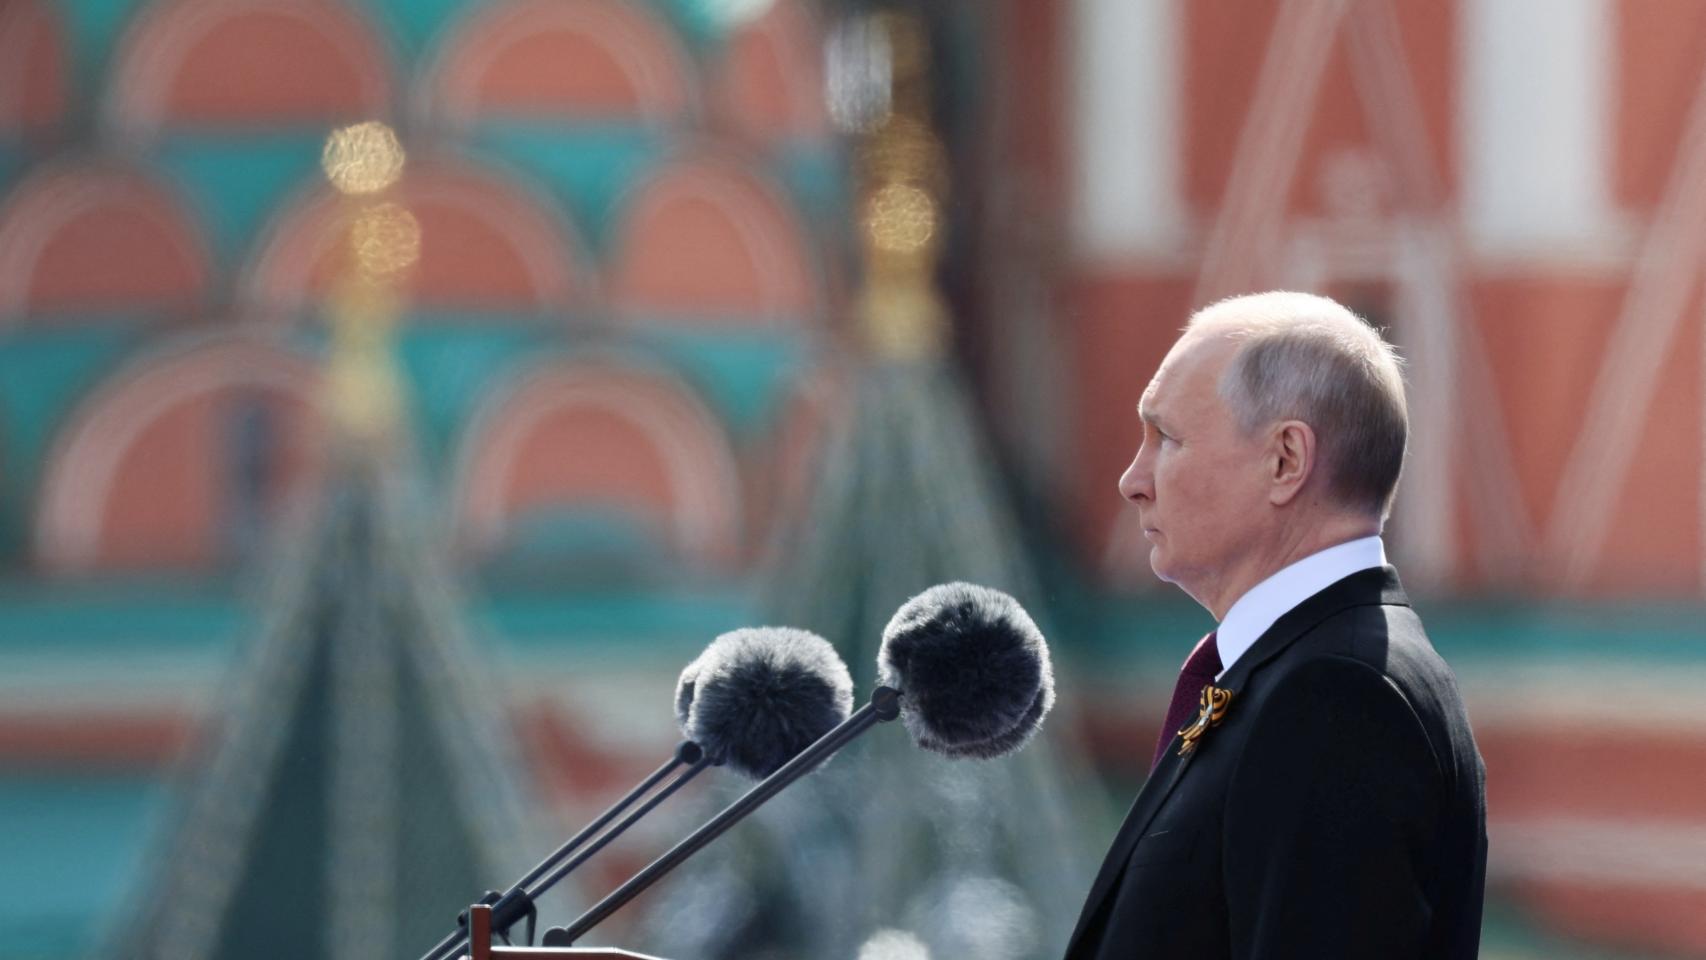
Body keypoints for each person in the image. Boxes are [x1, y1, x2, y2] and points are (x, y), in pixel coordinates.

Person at [1062, 291, 1487, 959]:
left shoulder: (1338, 697)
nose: (1132, 480)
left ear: (1286, 460)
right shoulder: (1302, 675)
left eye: (1166, 438)